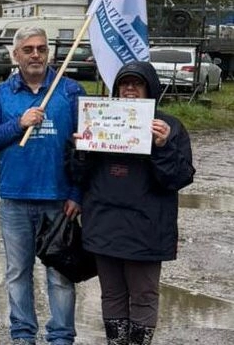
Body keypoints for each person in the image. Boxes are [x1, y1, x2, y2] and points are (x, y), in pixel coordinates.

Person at [70, 61, 195, 345]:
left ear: (150, 89)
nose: (129, 89)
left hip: (147, 228)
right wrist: (80, 151)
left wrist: (162, 147)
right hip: (104, 223)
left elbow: (178, 178)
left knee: (143, 295)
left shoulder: (169, 127)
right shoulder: (98, 119)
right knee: (111, 294)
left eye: (136, 84)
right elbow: (78, 175)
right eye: (124, 83)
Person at [0, 26, 85, 345]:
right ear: (16, 55)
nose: (35, 54)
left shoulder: (70, 91)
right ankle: (23, 335)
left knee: (61, 274)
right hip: (15, 198)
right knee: (17, 273)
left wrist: (77, 193)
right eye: (28, 49)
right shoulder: (1, 94)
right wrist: (18, 123)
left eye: (41, 48)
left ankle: (61, 336)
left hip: (59, 199)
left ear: (48, 52)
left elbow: (86, 148)